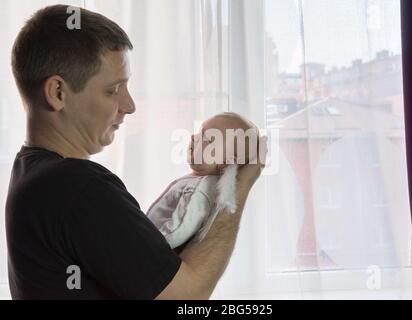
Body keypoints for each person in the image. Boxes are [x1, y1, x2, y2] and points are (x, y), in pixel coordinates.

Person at [5, 5, 265, 299]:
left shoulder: (30, 169)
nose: (129, 105)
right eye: (113, 90)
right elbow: (185, 297)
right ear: (58, 93)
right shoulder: (77, 187)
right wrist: (238, 186)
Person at [147, 112, 261, 251]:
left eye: (206, 138)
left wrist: (147, 246)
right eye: (199, 132)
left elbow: (179, 229)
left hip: (154, 251)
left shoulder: (201, 189)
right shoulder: (196, 182)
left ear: (227, 161)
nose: (193, 137)